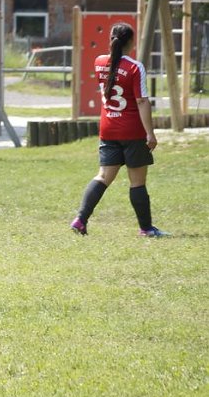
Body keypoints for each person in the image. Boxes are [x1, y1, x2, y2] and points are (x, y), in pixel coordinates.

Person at [70, 22, 167, 237]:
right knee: (137, 181)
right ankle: (146, 229)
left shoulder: (99, 62)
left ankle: (80, 219)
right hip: (132, 131)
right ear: (131, 41)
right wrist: (150, 133)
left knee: (103, 176)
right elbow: (141, 101)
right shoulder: (135, 67)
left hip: (108, 129)